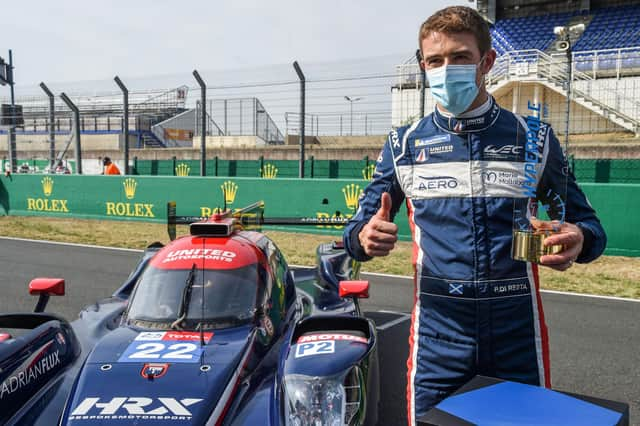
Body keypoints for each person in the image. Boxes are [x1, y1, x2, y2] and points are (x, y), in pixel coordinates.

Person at [342, 6, 606, 424]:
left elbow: (590, 227)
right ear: (423, 65)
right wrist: (363, 238)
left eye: (460, 57)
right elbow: (354, 229)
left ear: (487, 62)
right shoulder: (402, 144)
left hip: (516, 333)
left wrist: (580, 239)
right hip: (437, 339)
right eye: (435, 60)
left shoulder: (534, 138)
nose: (446, 69)